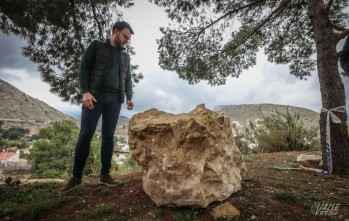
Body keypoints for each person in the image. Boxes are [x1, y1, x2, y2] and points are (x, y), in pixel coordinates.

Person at [60, 21, 134, 193]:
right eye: (125, 36)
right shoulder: (97, 46)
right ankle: (76, 177)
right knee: (86, 134)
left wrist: (129, 97)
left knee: (109, 136)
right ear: (116, 32)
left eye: (129, 39)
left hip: (115, 100)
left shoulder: (125, 57)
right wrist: (85, 91)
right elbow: (83, 67)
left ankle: (105, 175)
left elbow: (128, 78)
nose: (127, 41)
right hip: (94, 97)